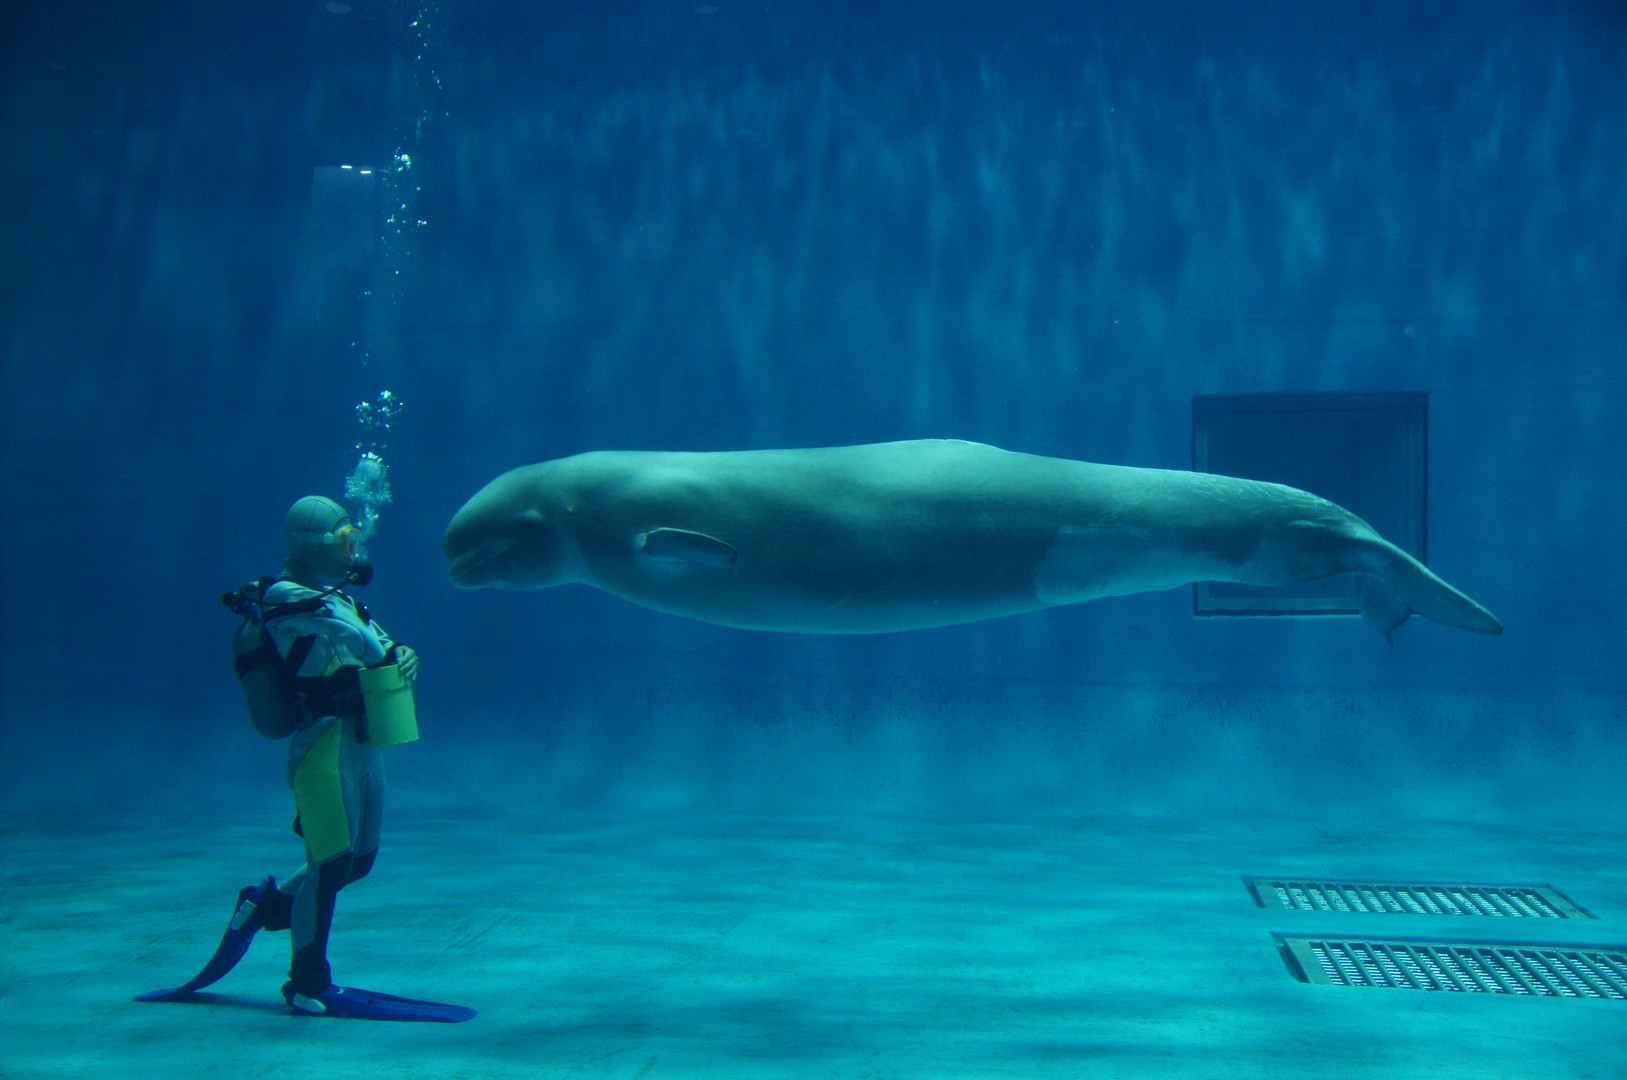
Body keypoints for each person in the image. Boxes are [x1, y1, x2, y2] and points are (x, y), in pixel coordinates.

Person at [137, 495, 472, 1022]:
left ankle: (264, 908)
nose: (353, 552)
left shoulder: (337, 599)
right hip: (321, 743)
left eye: (354, 540)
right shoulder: (283, 597)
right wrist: (382, 651)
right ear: (313, 545)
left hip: (361, 739)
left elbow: (377, 642)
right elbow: (355, 640)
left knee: (358, 861)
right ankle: (306, 981)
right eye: (345, 541)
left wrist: (402, 654)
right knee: (330, 863)